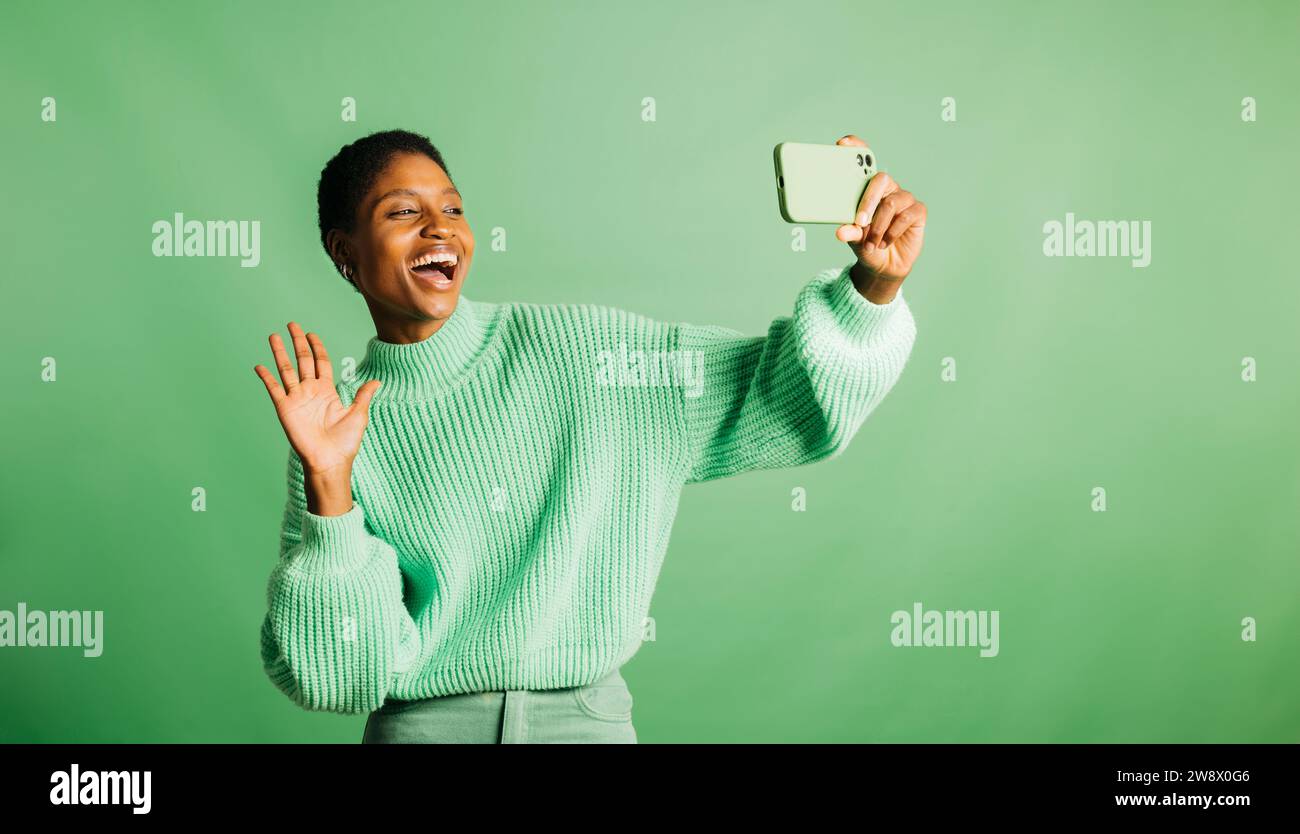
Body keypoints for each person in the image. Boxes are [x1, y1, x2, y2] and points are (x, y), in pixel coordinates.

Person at [253, 128, 924, 743]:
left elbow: (783, 401)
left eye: (454, 209)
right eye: (402, 212)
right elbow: (340, 676)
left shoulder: (587, 354)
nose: (440, 229)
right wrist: (331, 491)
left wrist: (872, 287)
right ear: (346, 255)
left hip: (585, 726)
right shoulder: (335, 432)